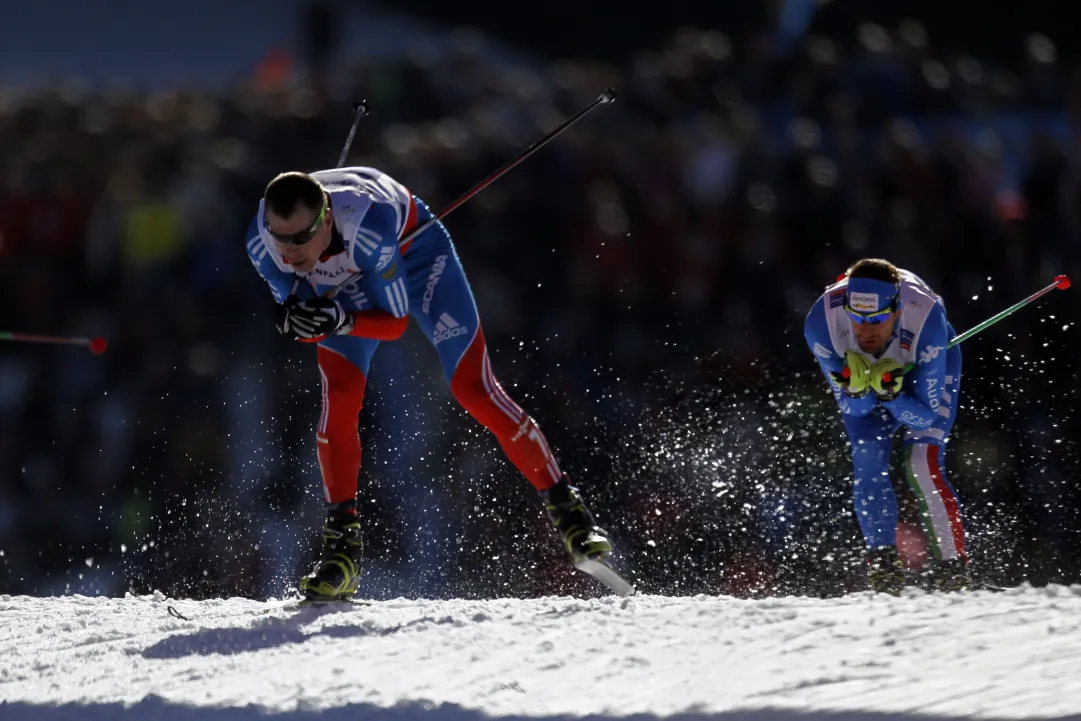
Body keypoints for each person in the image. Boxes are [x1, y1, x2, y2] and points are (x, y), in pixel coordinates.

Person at [245, 167, 612, 600]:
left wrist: (338, 318)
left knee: (474, 389)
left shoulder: (370, 228)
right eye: (281, 238)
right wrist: (302, 318)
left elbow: (393, 323)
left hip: (417, 259)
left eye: (300, 238)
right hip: (345, 280)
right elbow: (300, 311)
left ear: (325, 221)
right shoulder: (262, 244)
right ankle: (342, 550)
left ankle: (569, 512)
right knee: (339, 404)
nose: (289, 251)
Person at [804, 258, 969, 594]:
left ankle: (952, 567)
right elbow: (853, 408)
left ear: (896, 310)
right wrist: (859, 388)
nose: (866, 330)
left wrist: (892, 395)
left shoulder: (928, 325)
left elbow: (925, 414)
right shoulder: (821, 325)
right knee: (867, 455)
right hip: (880, 381)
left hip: (922, 368)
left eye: (878, 319)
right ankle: (882, 562)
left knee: (920, 463)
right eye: (858, 319)